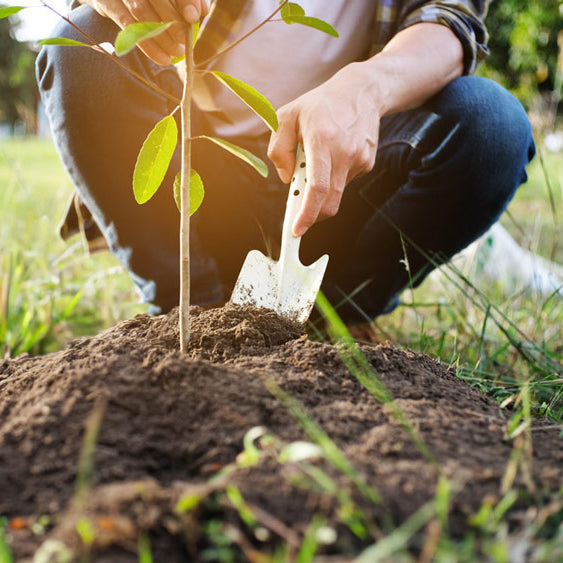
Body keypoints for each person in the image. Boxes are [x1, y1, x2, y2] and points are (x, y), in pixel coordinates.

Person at [36, 0, 536, 324]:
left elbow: (449, 21)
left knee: (492, 123)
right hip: (202, 191)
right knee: (82, 40)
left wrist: (367, 86)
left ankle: (336, 319)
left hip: (343, 186)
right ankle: (189, 311)